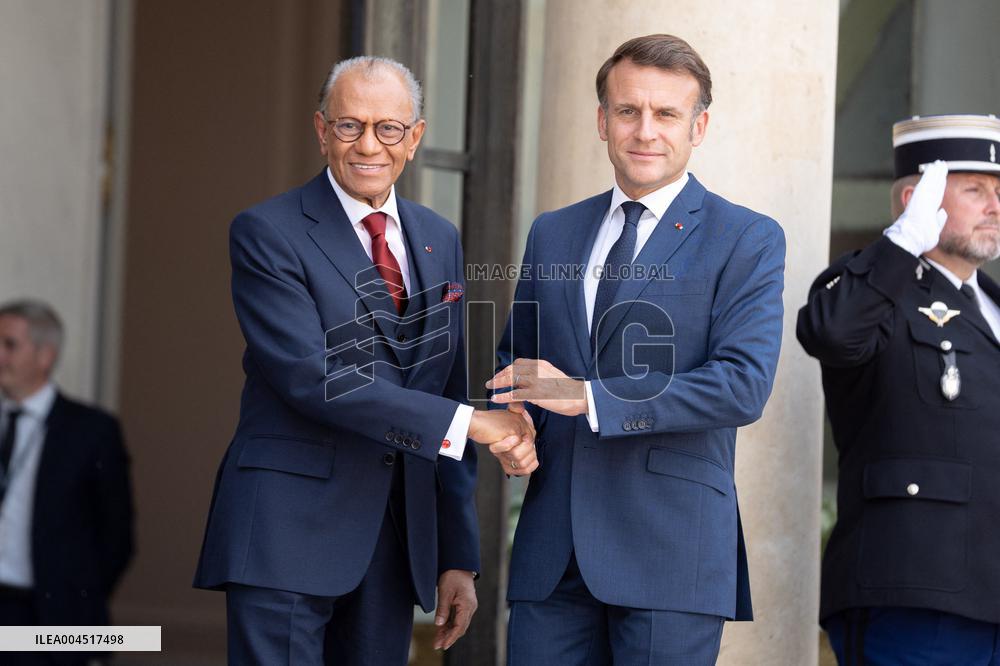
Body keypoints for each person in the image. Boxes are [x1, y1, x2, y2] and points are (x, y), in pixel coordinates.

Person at [193, 55, 536, 665]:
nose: (368, 144)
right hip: (285, 533)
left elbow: (448, 385)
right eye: (350, 126)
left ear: (416, 138)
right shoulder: (267, 231)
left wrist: (457, 557)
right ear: (322, 131)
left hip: (393, 541)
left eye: (389, 128)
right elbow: (312, 376)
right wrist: (474, 424)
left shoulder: (439, 237)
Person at [486, 34, 786, 664]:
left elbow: (741, 384)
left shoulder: (747, 239)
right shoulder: (554, 231)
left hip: (669, 555)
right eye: (628, 111)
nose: (645, 130)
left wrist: (587, 397)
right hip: (553, 552)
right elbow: (521, 365)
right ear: (602, 121)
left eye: (666, 114)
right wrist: (515, 425)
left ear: (698, 127)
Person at [797, 114, 1000, 664]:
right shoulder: (873, 291)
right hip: (915, 594)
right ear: (917, 199)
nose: (994, 206)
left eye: (999, 191)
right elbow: (832, 333)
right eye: (975, 190)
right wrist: (903, 242)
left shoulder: (994, 308)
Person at [0, 300, 133, 666]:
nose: (0, 355)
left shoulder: (91, 431)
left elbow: (116, 537)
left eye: (9, 345)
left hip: (52, 615)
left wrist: (76, 597)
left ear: (45, 356)